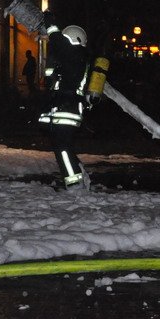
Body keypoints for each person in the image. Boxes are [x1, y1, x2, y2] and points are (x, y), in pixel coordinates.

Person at [38, 13, 90, 192]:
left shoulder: (76, 55)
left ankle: (74, 184)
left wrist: (51, 26)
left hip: (67, 109)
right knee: (63, 147)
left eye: (67, 39)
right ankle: (78, 177)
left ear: (74, 40)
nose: (65, 42)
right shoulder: (74, 59)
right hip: (64, 108)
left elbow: (60, 44)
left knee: (63, 149)